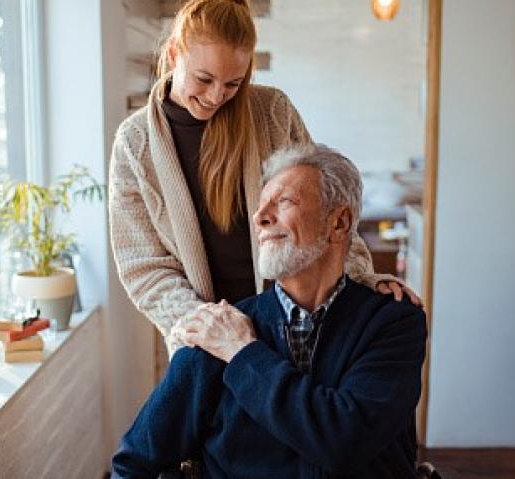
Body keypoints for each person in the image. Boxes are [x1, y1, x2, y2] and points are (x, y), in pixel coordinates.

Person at [108, 0, 418, 355]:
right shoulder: (134, 144)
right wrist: (209, 326)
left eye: (233, 83)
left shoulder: (272, 113)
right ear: (175, 53)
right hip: (204, 344)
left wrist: (362, 280)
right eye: (204, 79)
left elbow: (325, 205)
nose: (216, 97)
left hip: (297, 326)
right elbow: (142, 265)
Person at [111, 144, 427, 478]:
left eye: (284, 201)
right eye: (261, 205)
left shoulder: (393, 322)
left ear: (339, 222)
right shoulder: (215, 335)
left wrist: (243, 354)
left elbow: (345, 441)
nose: (260, 217)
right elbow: (133, 463)